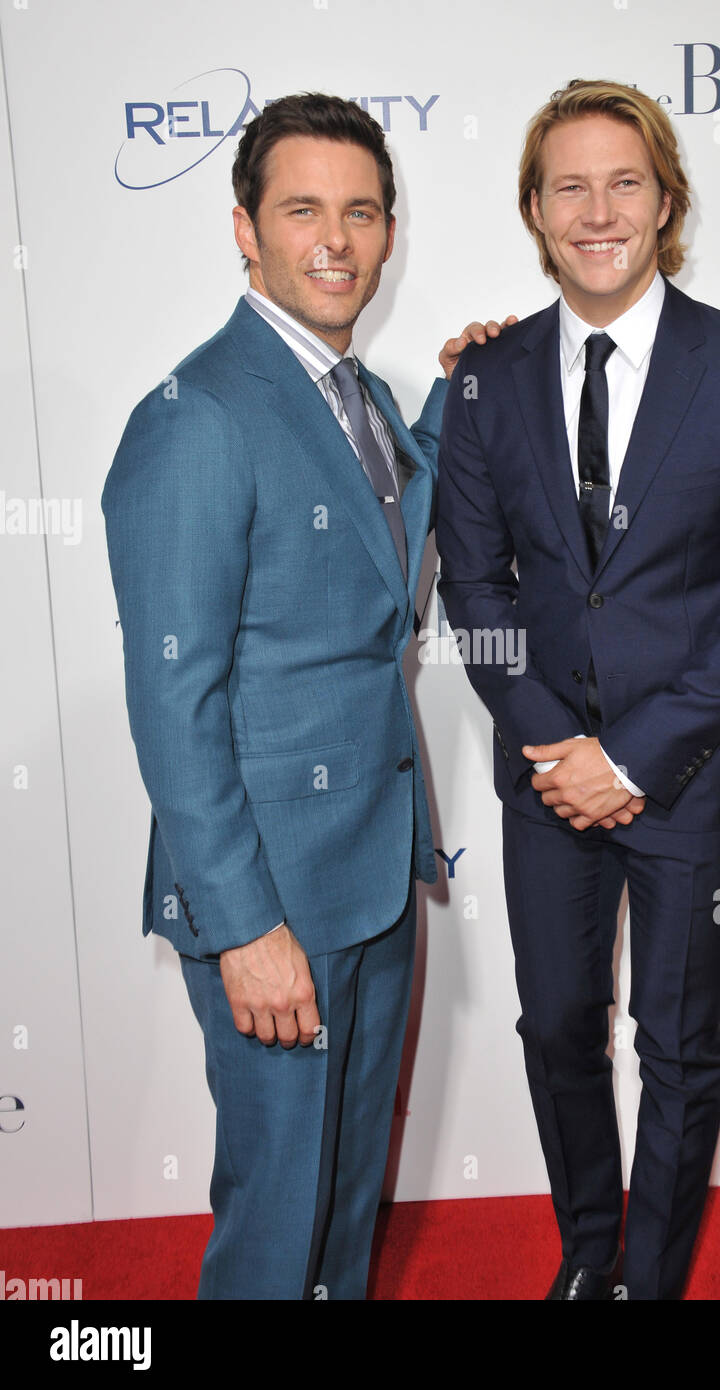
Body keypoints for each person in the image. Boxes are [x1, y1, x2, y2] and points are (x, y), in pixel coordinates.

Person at [103, 91, 510, 1300]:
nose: (334, 237)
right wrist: (243, 929)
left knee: (340, 1205)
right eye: (301, 210)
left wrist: (456, 393)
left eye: (360, 210)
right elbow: (173, 701)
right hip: (272, 903)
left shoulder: (358, 395)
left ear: (388, 233)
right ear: (245, 228)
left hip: (375, 876)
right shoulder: (198, 416)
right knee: (279, 1217)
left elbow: (388, 536)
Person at [436, 79, 720, 1300]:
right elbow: (476, 595)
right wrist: (559, 748)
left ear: (665, 201)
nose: (596, 210)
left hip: (690, 779)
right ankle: (587, 1254)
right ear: (534, 210)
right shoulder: (483, 383)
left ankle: (647, 1285)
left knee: (675, 1046)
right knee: (555, 1026)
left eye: (623, 182)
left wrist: (633, 757)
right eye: (568, 186)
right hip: (545, 779)